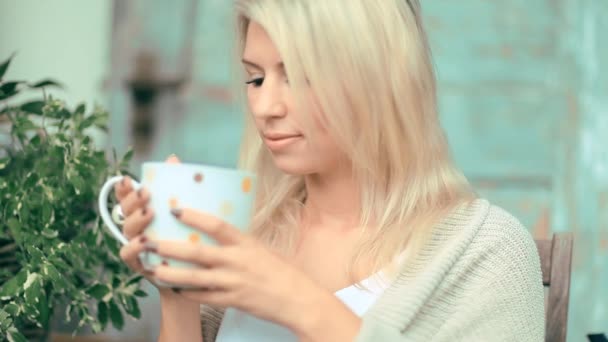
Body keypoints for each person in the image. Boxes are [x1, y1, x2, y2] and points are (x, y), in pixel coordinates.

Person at [114, 0, 545, 341]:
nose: (266, 108)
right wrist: (178, 295)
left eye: (300, 76)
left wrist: (294, 300)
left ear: (380, 80)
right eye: (256, 79)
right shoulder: (251, 232)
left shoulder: (487, 253)